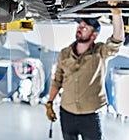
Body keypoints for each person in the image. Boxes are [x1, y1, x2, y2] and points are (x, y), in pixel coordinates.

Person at [45, 9, 124, 140]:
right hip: (67, 112)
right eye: (80, 26)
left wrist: (116, 14)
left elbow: (117, 39)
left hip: (90, 115)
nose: (80, 29)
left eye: (85, 28)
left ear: (94, 35)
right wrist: (49, 103)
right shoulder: (64, 53)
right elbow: (57, 80)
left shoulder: (100, 52)